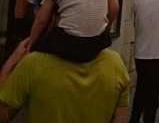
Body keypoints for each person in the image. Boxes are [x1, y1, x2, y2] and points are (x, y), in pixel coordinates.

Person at [0, 37, 130, 122]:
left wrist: (12, 61)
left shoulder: (34, 62)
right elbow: (121, 119)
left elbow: (3, 114)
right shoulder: (115, 63)